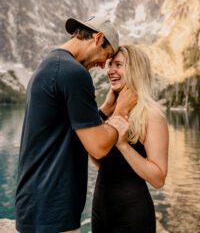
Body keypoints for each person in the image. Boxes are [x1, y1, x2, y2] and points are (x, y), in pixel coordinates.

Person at [15, 16, 137, 233]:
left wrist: (105, 110)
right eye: (106, 56)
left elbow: (67, 129)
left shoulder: (50, 64)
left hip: (33, 207)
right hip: (53, 212)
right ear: (98, 38)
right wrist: (121, 110)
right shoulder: (74, 73)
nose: (102, 66)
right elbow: (98, 146)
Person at [92, 45, 169, 233]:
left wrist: (123, 145)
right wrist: (105, 110)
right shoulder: (114, 111)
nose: (110, 71)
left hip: (132, 216)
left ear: (135, 70)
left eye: (118, 65)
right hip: (100, 212)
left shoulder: (152, 115)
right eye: (110, 64)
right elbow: (97, 157)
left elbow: (158, 178)